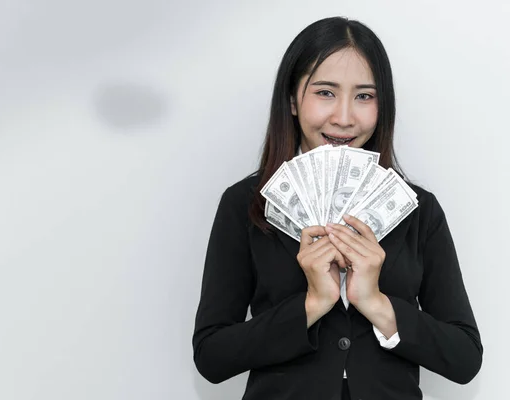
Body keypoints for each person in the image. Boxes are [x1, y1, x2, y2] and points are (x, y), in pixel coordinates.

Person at [192, 16, 483, 400]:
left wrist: (375, 303)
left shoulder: (419, 211)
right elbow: (212, 356)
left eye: (365, 96)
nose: (344, 117)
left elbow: (464, 358)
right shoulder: (246, 204)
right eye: (325, 92)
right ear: (293, 100)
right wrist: (312, 304)